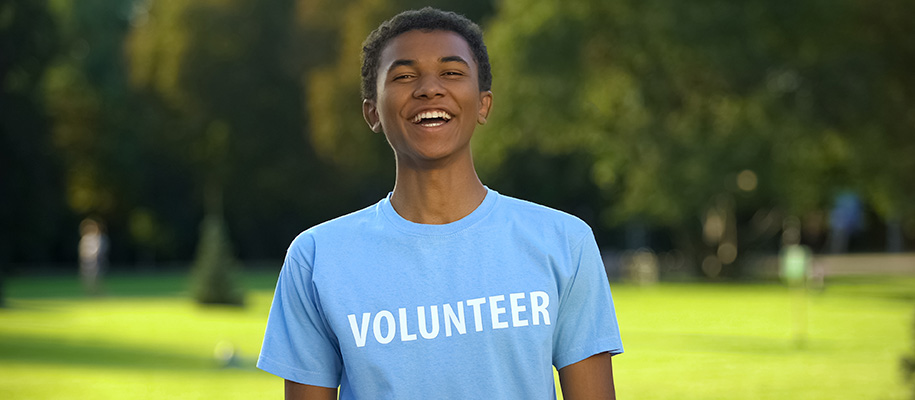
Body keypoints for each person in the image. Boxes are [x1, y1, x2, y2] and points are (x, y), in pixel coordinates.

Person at [258, 8, 623, 399]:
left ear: (483, 104)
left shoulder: (564, 243)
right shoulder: (316, 259)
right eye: (403, 76)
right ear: (372, 112)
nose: (430, 88)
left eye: (451, 72)